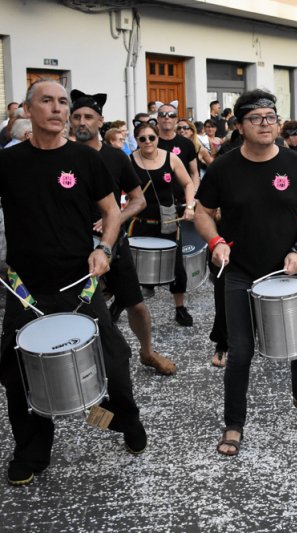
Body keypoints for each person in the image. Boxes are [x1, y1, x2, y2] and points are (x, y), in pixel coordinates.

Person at [0, 80, 147, 486]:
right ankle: (31, 451)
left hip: (78, 282)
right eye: (46, 101)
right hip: (24, 286)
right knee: (17, 370)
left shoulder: (86, 160)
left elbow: (112, 211)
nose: (58, 108)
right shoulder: (8, 162)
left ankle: (124, 421)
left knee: (114, 360)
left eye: (62, 101)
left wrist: (104, 247)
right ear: (27, 111)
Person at [194, 89, 297, 456]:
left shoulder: (295, 163)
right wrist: (216, 241)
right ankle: (234, 423)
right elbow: (202, 211)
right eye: (256, 118)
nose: (266, 124)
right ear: (239, 125)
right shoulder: (224, 166)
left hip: (287, 270)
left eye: (271, 117)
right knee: (241, 352)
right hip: (239, 272)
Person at [69, 89, 177, 375]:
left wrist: (112, 219)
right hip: (73, 245)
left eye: (88, 117)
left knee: (137, 305)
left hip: (114, 243)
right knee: (83, 308)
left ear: (100, 121)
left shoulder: (116, 157)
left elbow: (138, 199)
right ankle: (83, 364)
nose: (82, 122)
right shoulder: (61, 155)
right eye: (76, 116)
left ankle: (147, 351)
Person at [127, 121, 196, 309]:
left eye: (151, 137)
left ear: (157, 138)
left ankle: (180, 307)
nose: (148, 141)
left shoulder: (171, 158)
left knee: (177, 266)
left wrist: (189, 207)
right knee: (131, 267)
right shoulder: (129, 161)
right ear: (137, 141)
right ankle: (128, 305)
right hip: (139, 221)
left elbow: (188, 183)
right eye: (142, 138)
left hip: (167, 220)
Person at [154, 101, 200, 326]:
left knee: (176, 260)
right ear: (157, 118)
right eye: (162, 115)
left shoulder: (185, 144)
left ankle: (180, 307)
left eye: (171, 115)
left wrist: (192, 200)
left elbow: (194, 173)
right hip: (152, 207)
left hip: (178, 205)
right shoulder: (151, 140)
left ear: (175, 118)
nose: (166, 118)